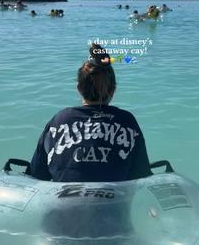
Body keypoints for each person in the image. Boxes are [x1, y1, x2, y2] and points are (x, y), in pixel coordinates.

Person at [29, 43, 152, 182]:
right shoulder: (127, 121)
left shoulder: (60, 120)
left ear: (78, 88)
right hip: (114, 203)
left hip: (63, 203)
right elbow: (142, 177)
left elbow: (37, 175)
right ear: (113, 90)